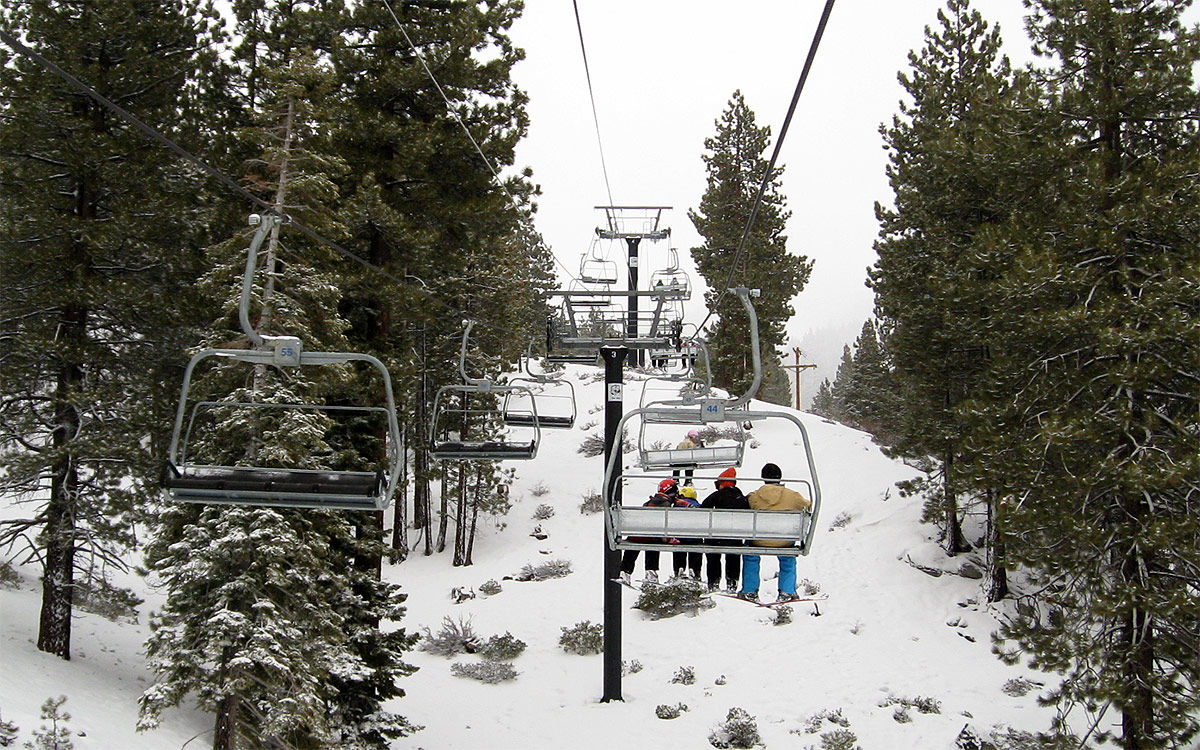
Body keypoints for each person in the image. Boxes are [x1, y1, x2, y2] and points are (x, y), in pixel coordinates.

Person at [739, 463, 811, 603]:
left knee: (750, 555)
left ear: (763, 477)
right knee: (788, 558)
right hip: (784, 539)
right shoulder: (792, 496)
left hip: (758, 539)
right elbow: (807, 506)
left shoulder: (754, 496)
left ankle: (750, 590)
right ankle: (787, 591)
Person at [619, 478, 679, 585]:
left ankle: (625, 571)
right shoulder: (666, 505)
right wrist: (668, 539)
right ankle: (651, 571)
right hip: (652, 536)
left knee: (634, 545)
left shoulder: (649, 503)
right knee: (653, 542)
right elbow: (662, 524)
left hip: (636, 535)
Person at [701, 467, 749, 592]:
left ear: (722, 483)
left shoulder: (717, 496)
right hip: (734, 537)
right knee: (733, 556)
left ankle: (714, 583)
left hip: (715, 536)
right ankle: (732, 583)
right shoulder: (741, 498)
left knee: (713, 557)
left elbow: (703, 509)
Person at [671, 485, 704, 579]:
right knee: (696, 553)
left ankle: (679, 569)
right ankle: (695, 571)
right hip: (695, 539)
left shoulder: (676, 506)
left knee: (678, 553)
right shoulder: (697, 506)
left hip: (680, 538)